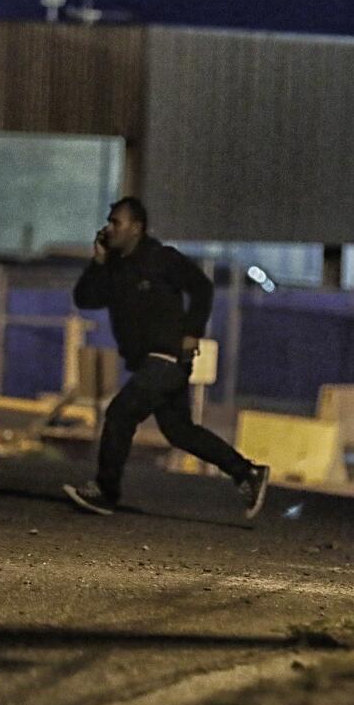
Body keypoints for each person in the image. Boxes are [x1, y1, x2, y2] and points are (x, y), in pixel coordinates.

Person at [62, 197, 269, 518]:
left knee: (120, 414)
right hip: (150, 362)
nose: (108, 228)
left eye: (116, 222)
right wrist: (99, 262)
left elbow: (201, 287)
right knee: (179, 431)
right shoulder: (116, 267)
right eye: (109, 221)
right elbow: (85, 298)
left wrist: (192, 333)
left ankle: (106, 490)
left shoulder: (160, 258)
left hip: (166, 357)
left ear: (136, 228)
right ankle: (247, 473)